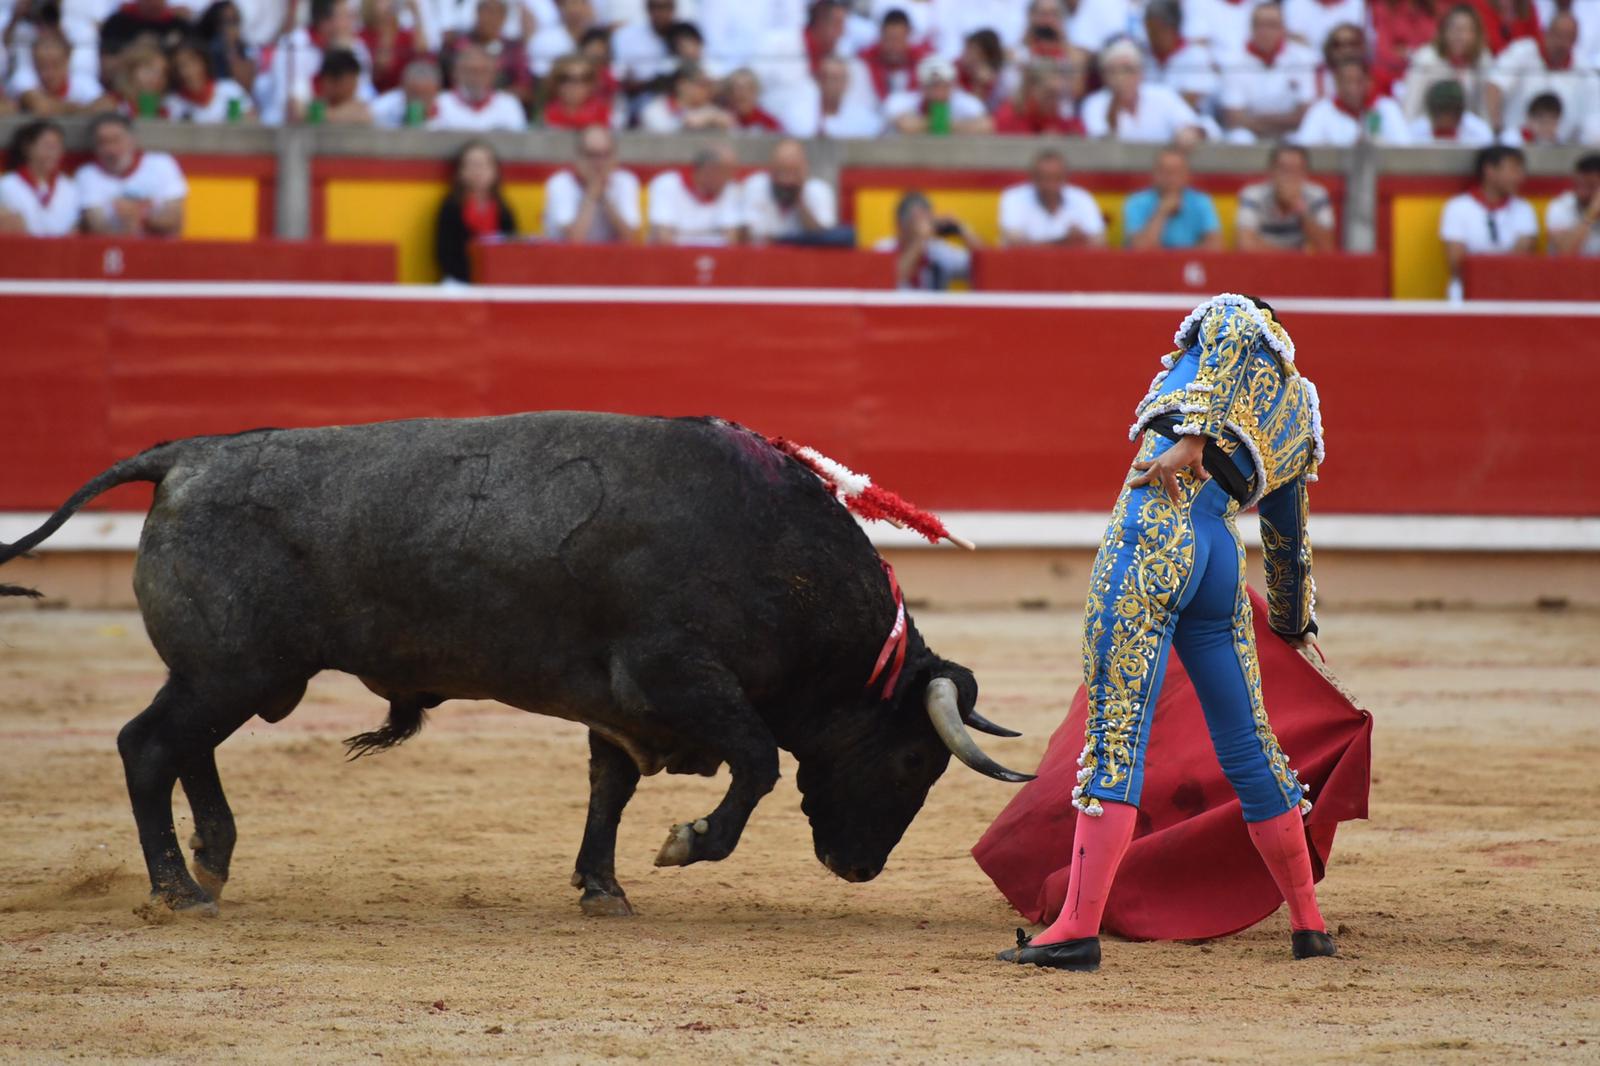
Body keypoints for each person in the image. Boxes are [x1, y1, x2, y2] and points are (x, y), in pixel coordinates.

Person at [996, 293, 1336, 971]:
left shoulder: (1231, 319)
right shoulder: (1298, 413)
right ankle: (1309, 922)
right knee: (1250, 744)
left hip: (1156, 528)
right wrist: (1294, 625)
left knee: (1117, 730)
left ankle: (1076, 928)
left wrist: (1193, 440)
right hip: (1217, 556)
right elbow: (1289, 539)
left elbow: (1235, 332)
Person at [1440, 144, 1538, 299]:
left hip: (1511, 293)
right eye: (1513, 170)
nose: (1520, 177)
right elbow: (1457, 264)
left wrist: (1482, 266)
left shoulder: (1523, 208)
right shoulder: (1457, 207)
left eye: (1521, 170)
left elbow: (1523, 260)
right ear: (1490, 171)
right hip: (1467, 293)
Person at [1486, 12, 1600, 142]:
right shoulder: (1521, 52)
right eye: (1558, 35)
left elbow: (1595, 113)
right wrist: (1496, 127)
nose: (1562, 43)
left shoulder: (1584, 69)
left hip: (1563, 150)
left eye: (1569, 38)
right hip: (1516, 143)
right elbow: (1494, 85)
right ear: (1546, 32)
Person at [1219, 3, 1321, 143]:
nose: (1265, 31)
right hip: (1251, 132)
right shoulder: (1232, 61)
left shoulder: (1303, 57)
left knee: (1306, 137)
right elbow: (1233, 117)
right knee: (1240, 138)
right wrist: (1283, 121)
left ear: (1283, 28)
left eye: (1272, 25)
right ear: (1251, 28)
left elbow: (1305, 114)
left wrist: (1258, 120)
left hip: (1290, 132)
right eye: (1259, 25)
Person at [75, 114, 187, 237]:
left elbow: (176, 220)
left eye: (116, 140)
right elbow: (97, 228)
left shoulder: (161, 164)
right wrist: (127, 225)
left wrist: (140, 215)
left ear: (131, 140)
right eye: (103, 142)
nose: (111, 149)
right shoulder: (88, 175)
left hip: (161, 251)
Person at [1082, 39, 1208, 144]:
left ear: (1140, 73)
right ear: (1104, 77)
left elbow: (1197, 126)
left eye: (1128, 69)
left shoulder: (1163, 95)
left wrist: (1190, 132)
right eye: (1113, 71)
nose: (1121, 77)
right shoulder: (1094, 104)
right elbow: (1099, 144)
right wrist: (1113, 116)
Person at [434, 139, 516, 283]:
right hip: (459, 280)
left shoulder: (504, 209)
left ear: (495, 171)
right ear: (460, 172)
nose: (478, 171)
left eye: (484, 165)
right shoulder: (451, 207)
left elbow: (513, 247)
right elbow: (444, 253)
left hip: (497, 279)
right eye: (472, 165)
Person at [542, 124, 641, 243]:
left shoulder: (625, 181)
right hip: (564, 259)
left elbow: (630, 238)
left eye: (605, 155)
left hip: (612, 259)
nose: (599, 163)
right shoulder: (560, 184)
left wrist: (604, 196)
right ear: (578, 158)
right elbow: (573, 240)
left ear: (614, 158)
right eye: (591, 155)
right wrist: (591, 196)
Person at [1236, 143, 1336, 252]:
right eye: (1284, 170)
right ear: (1271, 171)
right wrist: (1291, 257)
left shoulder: (1317, 195)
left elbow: (1326, 248)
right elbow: (1246, 246)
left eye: (1296, 170)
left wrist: (1300, 210)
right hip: (1261, 265)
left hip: (1302, 267)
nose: (1289, 177)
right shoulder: (1253, 195)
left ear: (1305, 173)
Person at [875, 189, 980, 290]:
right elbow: (892, 280)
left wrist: (962, 230)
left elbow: (982, 268)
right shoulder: (884, 248)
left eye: (927, 219)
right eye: (916, 220)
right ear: (900, 225)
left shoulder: (937, 250)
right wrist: (919, 241)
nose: (923, 225)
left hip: (937, 308)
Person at [998, 148, 1105, 247]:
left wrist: (1082, 239)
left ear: (1066, 177)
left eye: (1057, 178)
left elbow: (1100, 242)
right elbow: (1014, 244)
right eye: (1045, 178)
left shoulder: (1082, 198)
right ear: (1033, 177)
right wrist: (1065, 242)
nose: (1051, 185)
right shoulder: (1014, 198)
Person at [741, 137, 840, 244]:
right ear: (771, 168)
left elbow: (825, 238)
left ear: (804, 169)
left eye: (792, 172)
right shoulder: (755, 185)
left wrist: (800, 201)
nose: (785, 180)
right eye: (780, 171)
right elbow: (748, 234)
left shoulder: (819, 190)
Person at [1293, 56, 1412, 144]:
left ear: (1369, 81)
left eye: (1358, 81)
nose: (1352, 88)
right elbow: (1306, 148)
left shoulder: (1387, 107)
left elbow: (1404, 148)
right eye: (1347, 82)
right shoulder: (1321, 110)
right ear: (1337, 83)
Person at [1123, 146, 1222, 250]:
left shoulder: (1201, 202)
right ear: (1154, 174)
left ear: (1187, 175)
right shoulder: (1136, 202)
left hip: (1190, 265)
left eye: (1176, 172)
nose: (1170, 178)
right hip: (1148, 266)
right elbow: (1140, 250)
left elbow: (1216, 247)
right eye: (1164, 171)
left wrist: (1177, 260)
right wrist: (1162, 213)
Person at [1402, 4, 1492, 118]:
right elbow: (1410, 107)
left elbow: (1484, 110)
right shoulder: (1425, 58)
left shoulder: (1483, 59)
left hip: (1467, 131)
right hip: (1428, 129)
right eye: (1453, 28)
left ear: (1476, 34)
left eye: (1465, 30)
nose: (1459, 35)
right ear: (1443, 31)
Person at [645, 143, 742, 246]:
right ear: (709, 169)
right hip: (672, 257)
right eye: (727, 172)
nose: (731, 177)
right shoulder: (667, 183)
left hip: (717, 257)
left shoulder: (731, 188)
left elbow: (732, 238)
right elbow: (663, 236)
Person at [0, 118, 81, 236]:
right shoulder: (6, 185)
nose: (53, 153)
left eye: (57, 146)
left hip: (63, 251)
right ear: (27, 147)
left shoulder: (70, 187)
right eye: (47, 146)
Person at [1142, 0, 1221, 115]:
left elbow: (1188, 104)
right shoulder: (1142, 55)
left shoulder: (1196, 56)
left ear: (1173, 28)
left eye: (1156, 30)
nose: (1151, 36)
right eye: (1148, 30)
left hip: (1193, 124)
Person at [885, 54, 994, 134]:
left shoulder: (966, 102)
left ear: (952, 86)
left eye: (944, 86)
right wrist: (956, 125)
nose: (938, 91)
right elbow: (905, 126)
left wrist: (932, 124)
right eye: (933, 86)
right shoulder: (903, 101)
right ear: (922, 87)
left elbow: (986, 126)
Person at [434, 42, 526, 129]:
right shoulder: (440, 103)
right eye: (469, 71)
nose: (475, 78)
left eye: (482, 71)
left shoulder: (509, 104)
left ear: (493, 74)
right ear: (455, 73)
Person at [13, 33, 109, 115]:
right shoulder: (23, 78)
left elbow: (106, 106)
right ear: (33, 63)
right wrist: (82, 109)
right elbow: (42, 107)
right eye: (42, 65)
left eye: (55, 65)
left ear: (67, 61)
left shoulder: (83, 81)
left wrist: (63, 109)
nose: (48, 73)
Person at [166, 36, 253, 122]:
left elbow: (250, 121)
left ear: (204, 62)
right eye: (179, 66)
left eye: (191, 62)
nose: (186, 71)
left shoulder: (230, 90)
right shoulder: (174, 103)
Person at [638, 61, 734, 132]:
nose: (707, 90)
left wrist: (715, 119)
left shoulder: (710, 109)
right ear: (682, 84)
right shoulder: (656, 109)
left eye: (709, 85)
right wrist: (686, 125)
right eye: (702, 84)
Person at [993, 61, 1086, 135]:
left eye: (1058, 95)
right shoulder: (1008, 116)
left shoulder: (1057, 121)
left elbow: (1075, 129)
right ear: (1031, 89)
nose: (1054, 101)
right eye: (1049, 94)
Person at [858, 7, 930, 101]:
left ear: (908, 36)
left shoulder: (923, 62)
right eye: (889, 39)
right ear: (881, 35)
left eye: (898, 40)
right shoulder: (864, 61)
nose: (893, 46)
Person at [810, 54, 884, 137]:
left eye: (836, 78)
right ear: (817, 80)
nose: (830, 83)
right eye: (825, 77)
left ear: (846, 82)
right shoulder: (799, 114)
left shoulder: (864, 119)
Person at [612, 0, 678, 93]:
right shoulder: (627, 37)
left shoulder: (683, 35)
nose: (661, 13)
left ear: (673, 9)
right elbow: (619, 73)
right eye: (655, 7)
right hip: (637, 95)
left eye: (666, 7)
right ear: (647, 9)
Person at [1408, 78, 1498, 143]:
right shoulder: (1414, 131)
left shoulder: (1479, 131)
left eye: (1451, 110)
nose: (1445, 117)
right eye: (1440, 110)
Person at [1547, 153, 1600, 255]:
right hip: (1567, 270)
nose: (1582, 191)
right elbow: (1564, 252)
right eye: (1579, 184)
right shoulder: (1560, 205)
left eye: (1591, 185)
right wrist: (1592, 212)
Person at [540, 52, 610, 128]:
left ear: (593, 83)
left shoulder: (609, 114)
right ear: (555, 82)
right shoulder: (547, 113)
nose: (575, 85)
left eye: (584, 78)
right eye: (565, 78)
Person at [371, 57, 441, 126]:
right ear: (404, 88)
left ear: (436, 91)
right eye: (415, 94)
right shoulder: (387, 105)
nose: (420, 100)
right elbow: (370, 113)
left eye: (425, 95)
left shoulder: (448, 108)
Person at [309, 48, 374, 124]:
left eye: (354, 80)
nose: (355, 85)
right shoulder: (316, 106)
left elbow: (363, 116)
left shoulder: (361, 111)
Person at [724, 67, 784, 131]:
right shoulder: (721, 120)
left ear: (756, 91)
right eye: (737, 88)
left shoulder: (769, 123)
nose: (742, 93)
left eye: (749, 88)